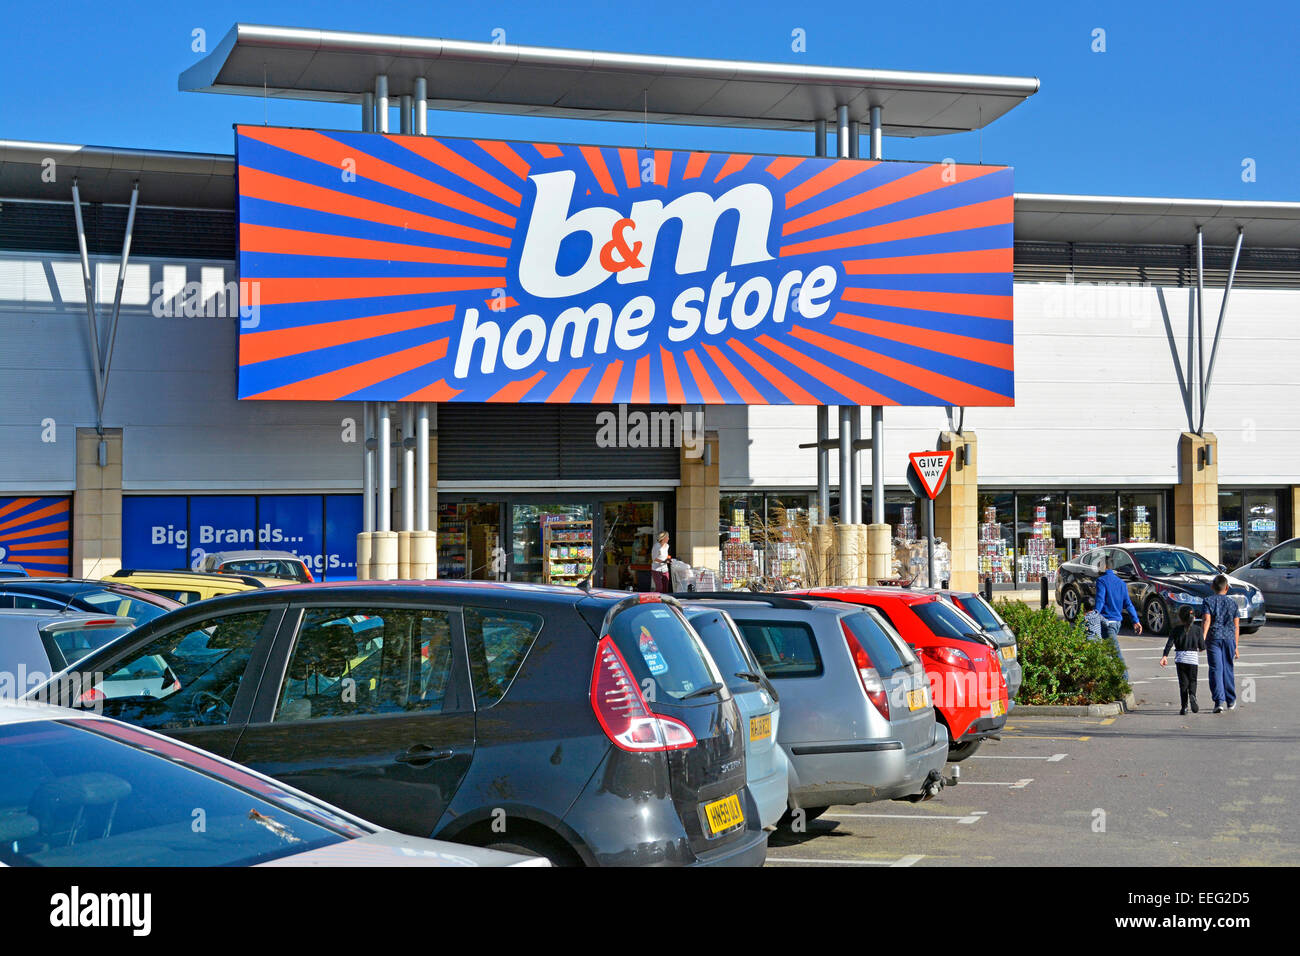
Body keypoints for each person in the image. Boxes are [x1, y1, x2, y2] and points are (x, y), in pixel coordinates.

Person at [1094, 556, 1142, 677]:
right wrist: (1135, 620)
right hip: (1116, 622)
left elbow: (1100, 601)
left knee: (1114, 653)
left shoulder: (1101, 581)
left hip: (1106, 622)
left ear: (1104, 566)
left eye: (1099, 564)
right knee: (1106, 652)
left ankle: (1124, 679)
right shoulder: (1121, 583)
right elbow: (1128, 604)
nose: (1097, 567)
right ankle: (1108, 679)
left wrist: (1093, 616)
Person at [1201, 574, 1241, 713]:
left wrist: (1203, 638)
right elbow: (1236, 626)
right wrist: (1236, 646)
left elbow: (1207, 620)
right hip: (1229, 638)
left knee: (1215, 669)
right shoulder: (1233, 603)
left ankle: (1219, 701)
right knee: (1228, 668)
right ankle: (1231, 700)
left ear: (1212, 587)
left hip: (1214, 638)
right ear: (1227, 588)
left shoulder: (1208, 601)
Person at [1160, 605, 1205, 715]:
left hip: (1180, 660)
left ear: (1180, 617)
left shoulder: (1175, 630)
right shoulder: (1198, 630)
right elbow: (1202, 647)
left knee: (1183, 683)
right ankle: (1193, 695)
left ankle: (1184, 707)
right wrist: (1200, 647)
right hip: (1193, 659)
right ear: (1193, 617)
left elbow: (1169, 644)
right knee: (1193, 681)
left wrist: (1164, 656)